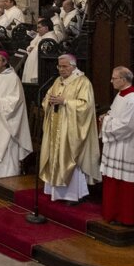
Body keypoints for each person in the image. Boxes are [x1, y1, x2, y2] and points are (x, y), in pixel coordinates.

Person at [39, 54, 100, 202]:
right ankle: (54, 190)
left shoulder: (83, 82)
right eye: (59, 66)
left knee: (70, 158)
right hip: (55, 127)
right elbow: (47, 98)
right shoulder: (57, 81)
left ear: (73, 66)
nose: (61, 69)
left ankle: (72, 195)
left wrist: (65, 102)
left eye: (64, 66)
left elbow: (86, 106)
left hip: (71, 130)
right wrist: (49, 101)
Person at [100, 66, 134, 225]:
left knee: (125, 184)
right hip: (116, 146)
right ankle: (113, 213)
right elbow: (115, 115)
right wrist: (106, 117)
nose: (111, 81)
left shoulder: (133, 99)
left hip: (126, 147)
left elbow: (128, 125)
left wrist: (106, 123)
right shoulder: (121, 95)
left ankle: (125, 217)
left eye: (114, 78)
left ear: (124, 79)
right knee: (114, 180)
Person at [0, 51, 31, 178]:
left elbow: (16, 100)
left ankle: (6, 174)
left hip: (6, 120)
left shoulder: (12, 78)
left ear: (5, 62)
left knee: (5, 145)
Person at [19, 19, 57, 84]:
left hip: (38, 70)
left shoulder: (50, 39)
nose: (37, 30)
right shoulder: (44, 36)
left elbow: (43, 55)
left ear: (46, 28)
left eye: (39, 27)